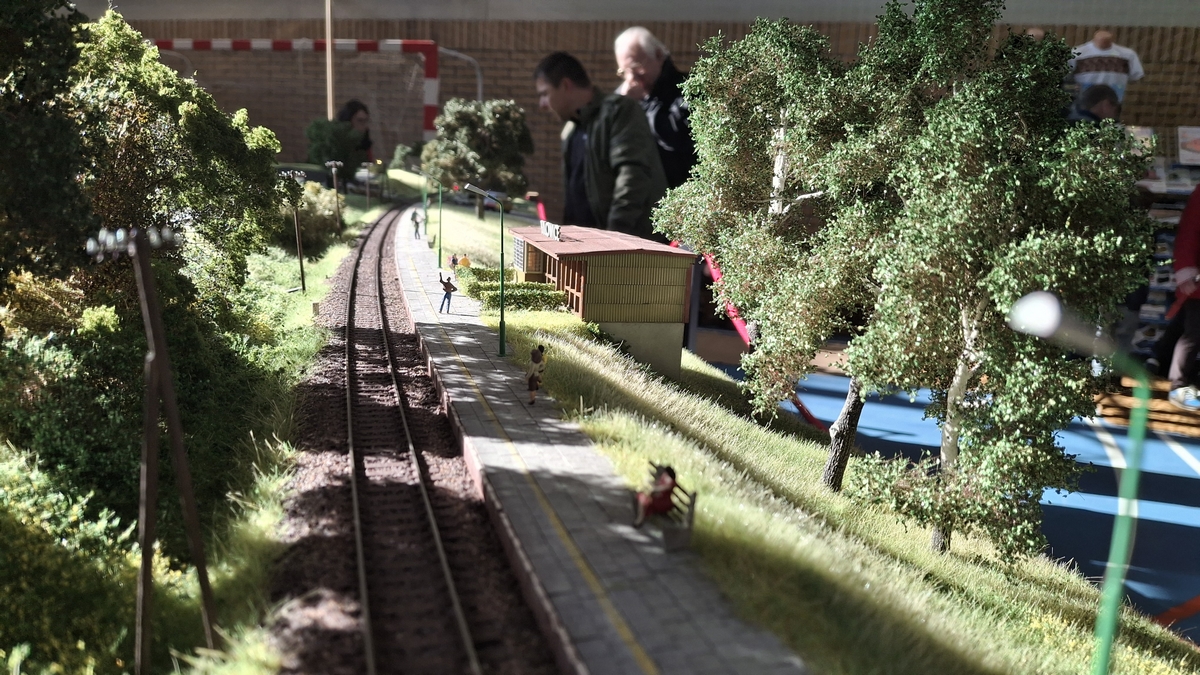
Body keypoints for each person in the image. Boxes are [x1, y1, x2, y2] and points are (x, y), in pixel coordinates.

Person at [534, 51, 667, 240]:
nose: (542, 104)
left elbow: (633, 176)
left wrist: (613, 237)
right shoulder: (571, 129)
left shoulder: (619, 112)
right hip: (585, 245)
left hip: (626, 248)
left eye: (544, 94)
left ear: (565, 85)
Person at [613, 27, 698, 190]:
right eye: (624, 72)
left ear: (658, 55)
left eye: (637, 68)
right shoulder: (627, 95)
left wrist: (644, 103)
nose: (632, 79)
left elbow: (675, 135)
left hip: (685, 191)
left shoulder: (689, 88)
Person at [1155, 188, 1200, 411]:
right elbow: (1189, 232)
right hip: (1197, 282)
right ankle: (1178, 386)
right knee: (1194, 334)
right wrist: (1186, 271)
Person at [1069, 30, 1144, 104]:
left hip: (1114, 101)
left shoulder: (1127, 55)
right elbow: (1066, 78)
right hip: (1083, 101)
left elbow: (1136, 75)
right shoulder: (1076, 54)